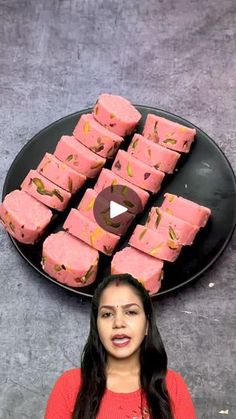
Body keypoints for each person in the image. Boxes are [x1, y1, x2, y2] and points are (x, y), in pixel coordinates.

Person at [45, 273, 196, 419]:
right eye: (107, 314)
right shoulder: (69, 386)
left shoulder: (172, 385)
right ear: (96, 326)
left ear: (147, 325)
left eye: (130, 312)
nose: (118, 323)